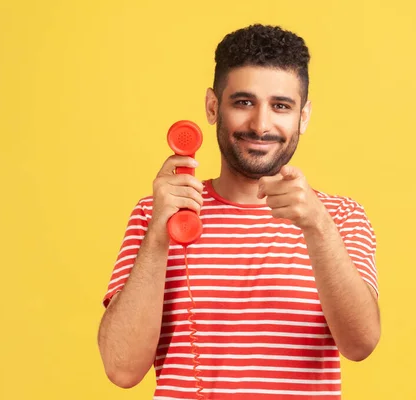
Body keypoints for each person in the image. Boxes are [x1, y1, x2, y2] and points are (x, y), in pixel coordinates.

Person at [97, 24, 381, 399]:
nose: (261, 125)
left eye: (281, 106)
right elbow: (121, 368)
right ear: (213, 107)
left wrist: (316, 226)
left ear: (304, 116)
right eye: (244, 102)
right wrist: (158, 236)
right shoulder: (157, 214)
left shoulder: (341, 218)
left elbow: (360, 345)